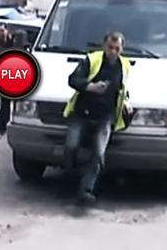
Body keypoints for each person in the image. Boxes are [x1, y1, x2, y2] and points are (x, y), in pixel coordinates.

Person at [61, 32, 133, 206]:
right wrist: (90, 87)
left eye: (117, 49)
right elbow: (73, 80)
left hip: (104, 117)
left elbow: (122, 88)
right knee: (71, 147)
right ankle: (67, 184)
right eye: (110, 48)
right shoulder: (91, 60)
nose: (113, 52)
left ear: (121, 49)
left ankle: (86, 191)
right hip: (82, 114)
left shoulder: (124, 65)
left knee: (98, 154)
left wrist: (126, 101)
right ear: (104, 46)